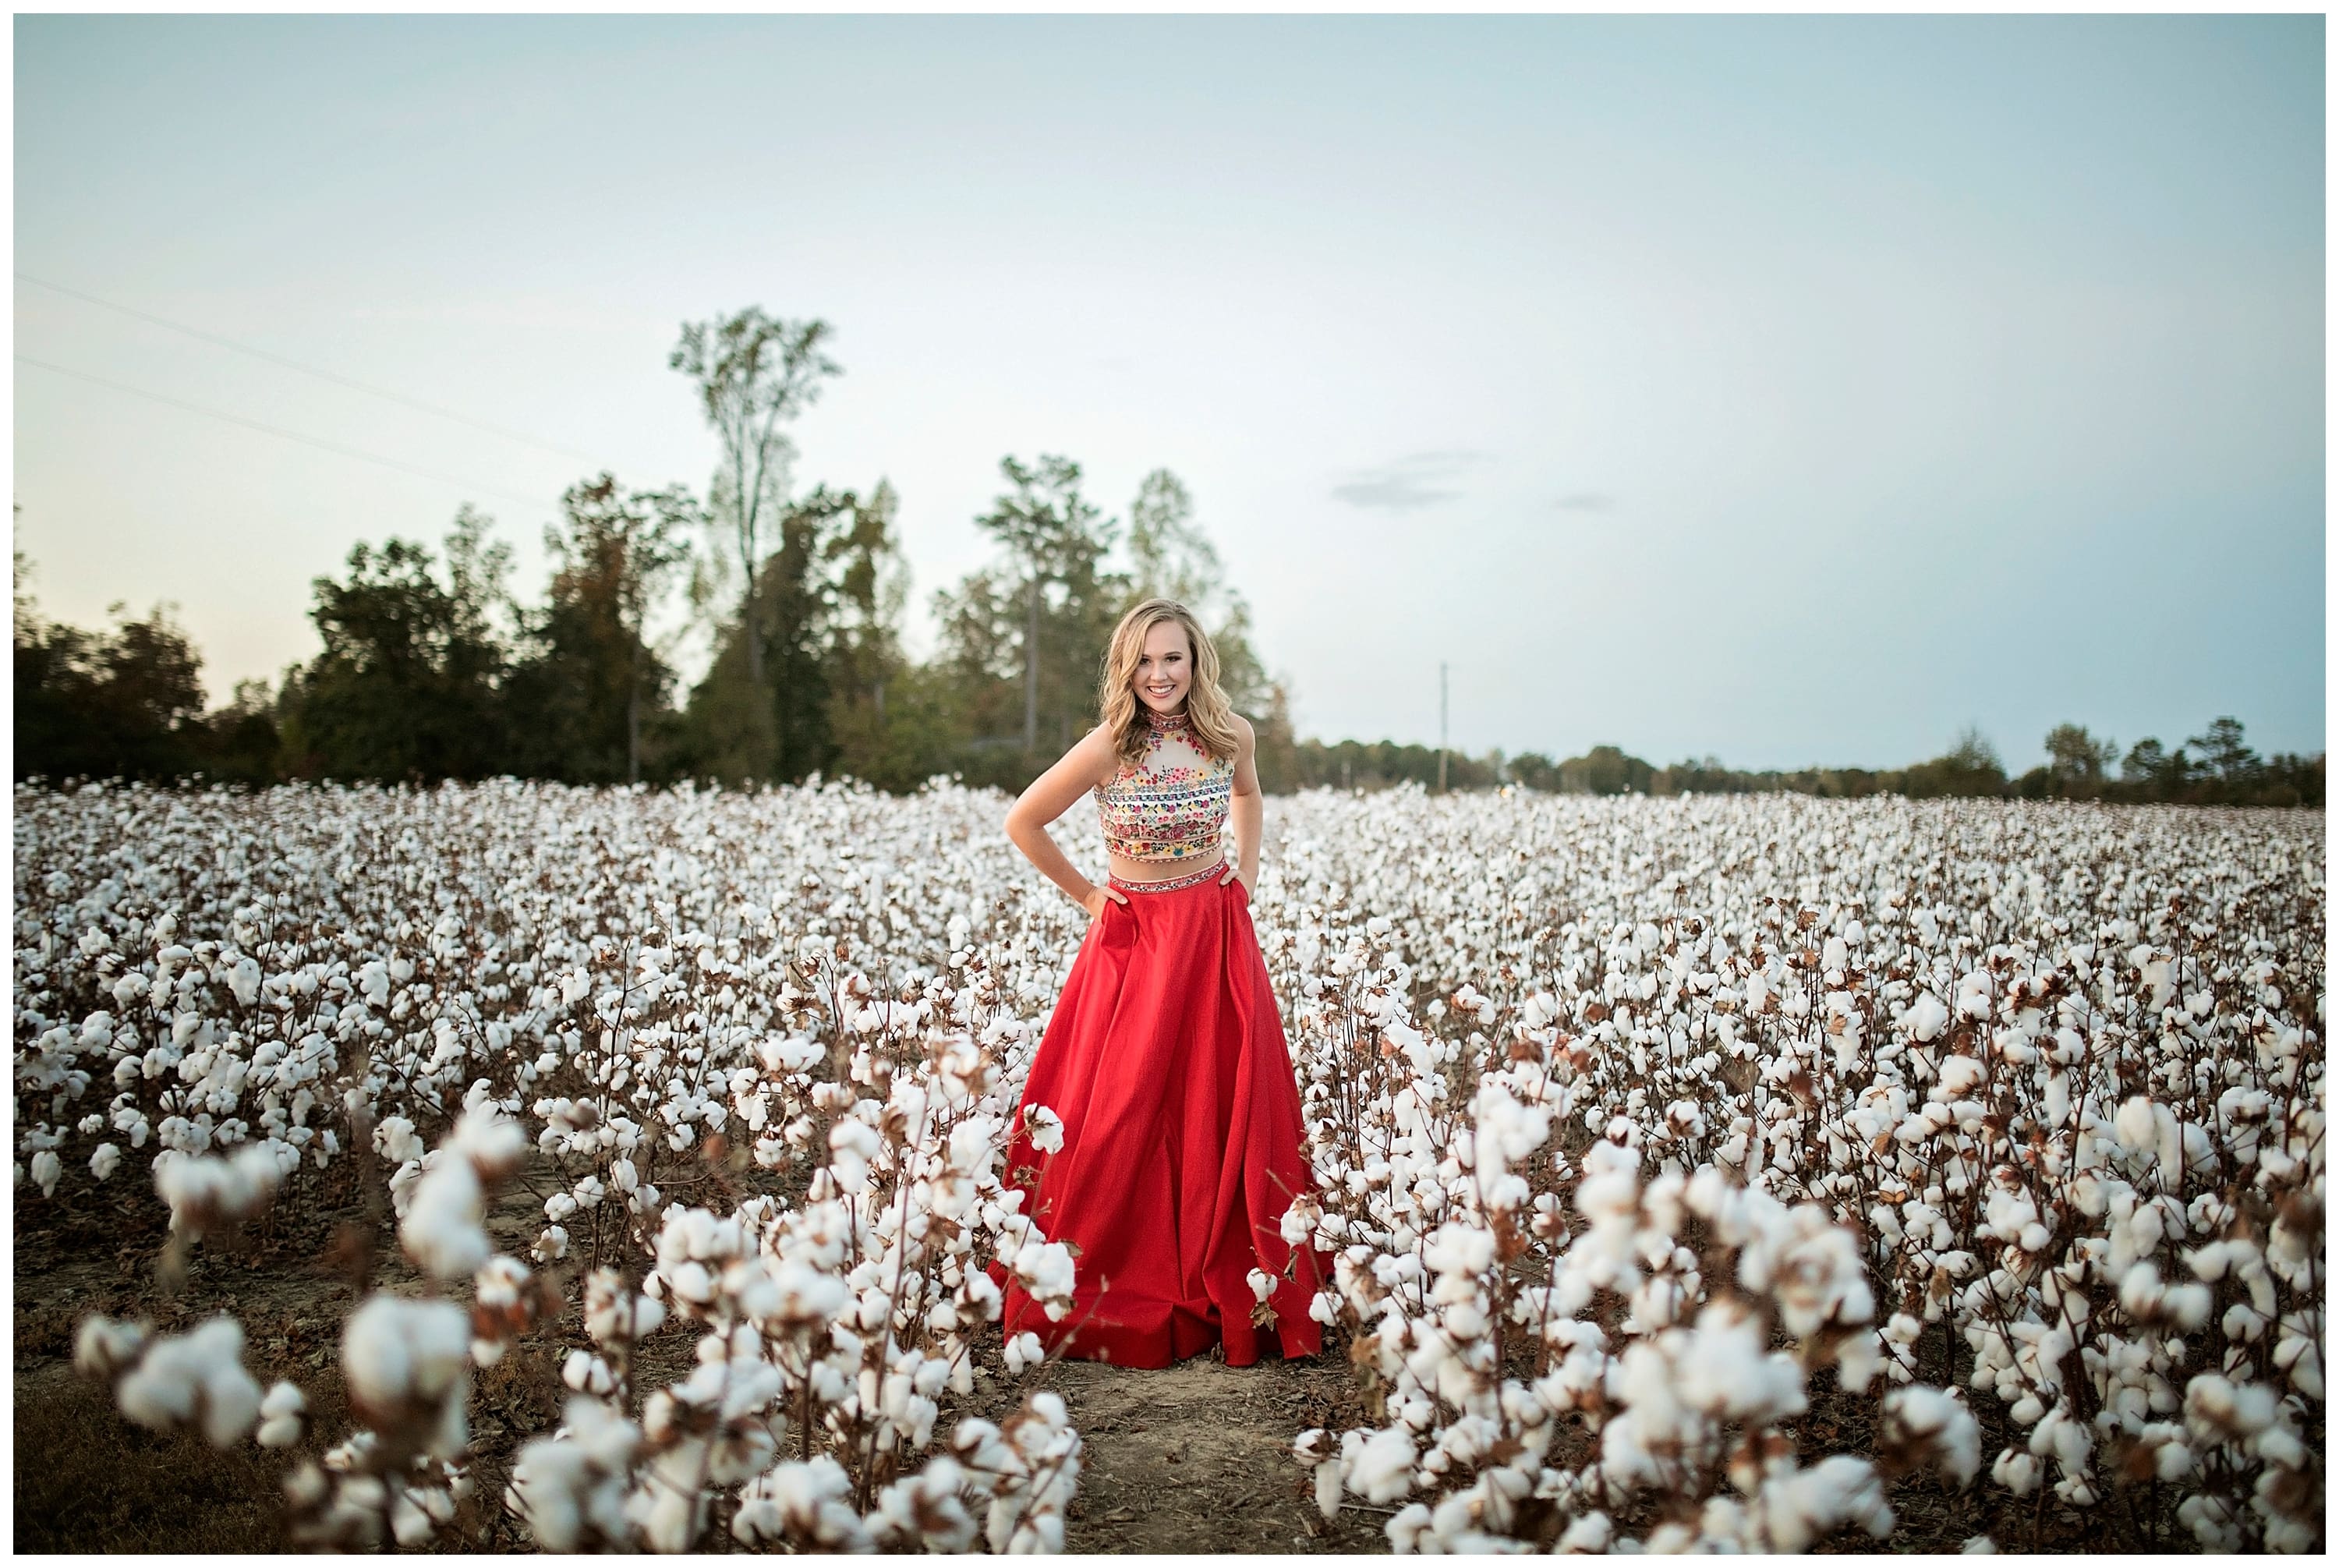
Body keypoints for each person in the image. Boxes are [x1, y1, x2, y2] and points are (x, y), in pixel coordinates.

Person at [993, 597, 1324, 1368]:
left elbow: (1248, 795)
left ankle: (1230, 1264)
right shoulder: (1110, 745)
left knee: (1215, 1100)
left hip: (1213, 932)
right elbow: (1024, 821)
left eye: (1171, 657)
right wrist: (1089, 895)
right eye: (1144, 660)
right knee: (1120, 1107)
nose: (1159, 673)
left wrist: (1243, 875)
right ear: (1125, 668)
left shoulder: (1230, 735)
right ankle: (1107, 1264)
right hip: (1135, 940)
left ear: (1195, 660)